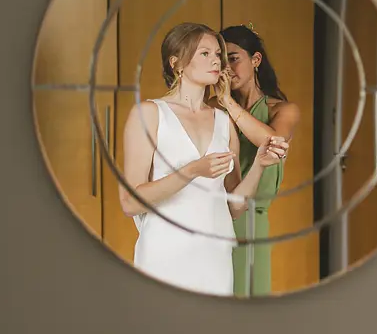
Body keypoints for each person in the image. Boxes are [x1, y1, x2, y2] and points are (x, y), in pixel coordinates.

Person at [120, 22, 289, 297]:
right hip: (165, 254)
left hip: (216, 257)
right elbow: (129, 202)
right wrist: (192, 170)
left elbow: (234, 208)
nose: (217, 61)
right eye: (205, 53)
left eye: (218, 54)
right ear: (177, 64)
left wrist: (258, 164)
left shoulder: (223, 122)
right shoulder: (149, 114)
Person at [219, 23, 301, 297]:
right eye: (221, 61)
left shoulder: (283, 109)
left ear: (255, 60)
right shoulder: (212, 110)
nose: (227, 69)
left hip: (255, 219)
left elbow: (273, 142)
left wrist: (228, 102)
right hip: (218, 214)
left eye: (234, 59)